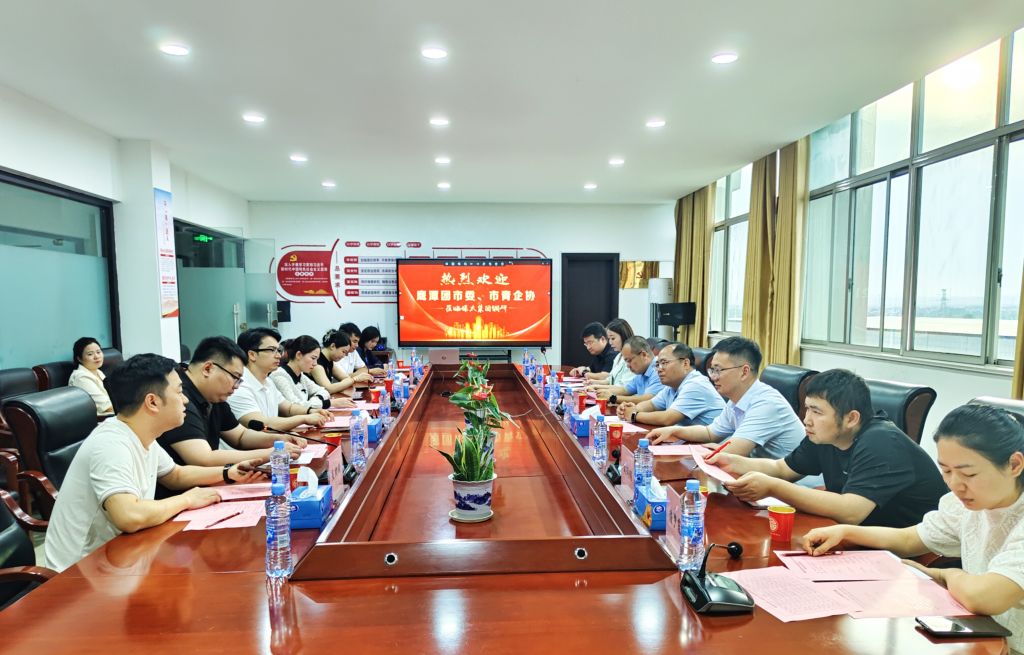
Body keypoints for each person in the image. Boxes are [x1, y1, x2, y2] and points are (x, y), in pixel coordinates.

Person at [802, 404, 1024, 651]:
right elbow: (910, 539)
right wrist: (846, 532)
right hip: (983, 638)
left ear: (1014, 465)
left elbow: (982, 597)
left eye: (968, 474)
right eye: (946, 471)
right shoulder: (970, 504)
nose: (955, 484)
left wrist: (946, 575)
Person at [43, 354, 267, 572]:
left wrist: (228, 473)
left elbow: (175, 475)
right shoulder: (111, 443)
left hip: (121, 558)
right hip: (80, 573)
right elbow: (129, 515)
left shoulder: (141, 434)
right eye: (179, 392)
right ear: (152, 402)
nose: (185, 400)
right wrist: (188, 499)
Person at [708, 369, 946, 526]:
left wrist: (773, 487)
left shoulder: (882, 442)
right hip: (859, 534)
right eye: (807, 409)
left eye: (817, 412)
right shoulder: (824, 436)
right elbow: (782, 468)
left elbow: (851, 511)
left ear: (851, 418)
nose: (807, 419)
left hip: (911, 553)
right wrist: (733, 462)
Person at [156, 337, 307, 494]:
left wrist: (278, 440)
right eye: (234, 377)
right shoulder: (180, 400)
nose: (236, 387)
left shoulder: (213, 396)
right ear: (208, 368)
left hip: (205, 488)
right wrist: (272, 454)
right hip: (179, 496)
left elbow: (240, 436)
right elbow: (203, 458)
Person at [647, 336, 805, 462]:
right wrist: (674, 431)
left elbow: (731, 453)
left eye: (718, 370)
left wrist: (711, 450)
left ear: (744, 372)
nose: (713, 377)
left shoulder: (766, 404)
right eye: (712, 370)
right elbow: (710, 432)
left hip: (794, 485)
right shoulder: (736, 400)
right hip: (760, 476)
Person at [227, 328, 330, 431]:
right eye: (272, 350)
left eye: (278, 350)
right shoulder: (239, 386)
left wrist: (310, 411)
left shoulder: (268, 381)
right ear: (252, 355)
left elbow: (288, 408)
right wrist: (304, 419)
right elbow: (263, 424)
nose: (278, 356)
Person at [617, 342, 723, 427]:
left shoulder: (696, 385)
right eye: (657, 364)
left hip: (715, 445)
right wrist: (631, 409)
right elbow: (651, 405)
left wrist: (634, 415)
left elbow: (667, 418)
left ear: (685, 363)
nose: (659, 369)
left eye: (664, 363)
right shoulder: (672, 386)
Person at [270, 335, 354, 410]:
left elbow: (324, 391)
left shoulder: (301, 376)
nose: (315, 363)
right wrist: (329, 403)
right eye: (313, 358)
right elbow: (295, 406)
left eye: (317, 359)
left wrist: (314, 401)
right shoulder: (279, 375)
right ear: (299, 355)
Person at [596, 336, 665, 404]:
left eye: (629, 360)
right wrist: (601, 392)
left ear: (644, 355)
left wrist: (613, 398)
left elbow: (647, 399)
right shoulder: (642, 372)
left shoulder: (659, 370)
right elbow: (625, 390)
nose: (628, 366)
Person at [586, 318, 636, 389]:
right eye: (609, 339)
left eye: (613, 338)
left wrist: (596, 386)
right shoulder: (618, 356)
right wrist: (593, 382)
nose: (610, 342)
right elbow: (610, 380)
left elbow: (624, 387)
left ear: (623, 336)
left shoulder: (632, 357)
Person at [68, 336, 113, 414]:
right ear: (79, 358)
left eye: (98, 352)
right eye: (90, 354)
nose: (96, 356)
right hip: (101, 418)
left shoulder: (98, 372)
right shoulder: (81, 378)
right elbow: (106, 406)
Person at [311, 327, 361, 395]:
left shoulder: (330, 361)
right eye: (343, 352)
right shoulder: (316, 363)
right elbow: (329, 389)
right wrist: (354, 379)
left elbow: (347, 378)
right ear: (332, 346)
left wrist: (350, 380)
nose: (344, 356)